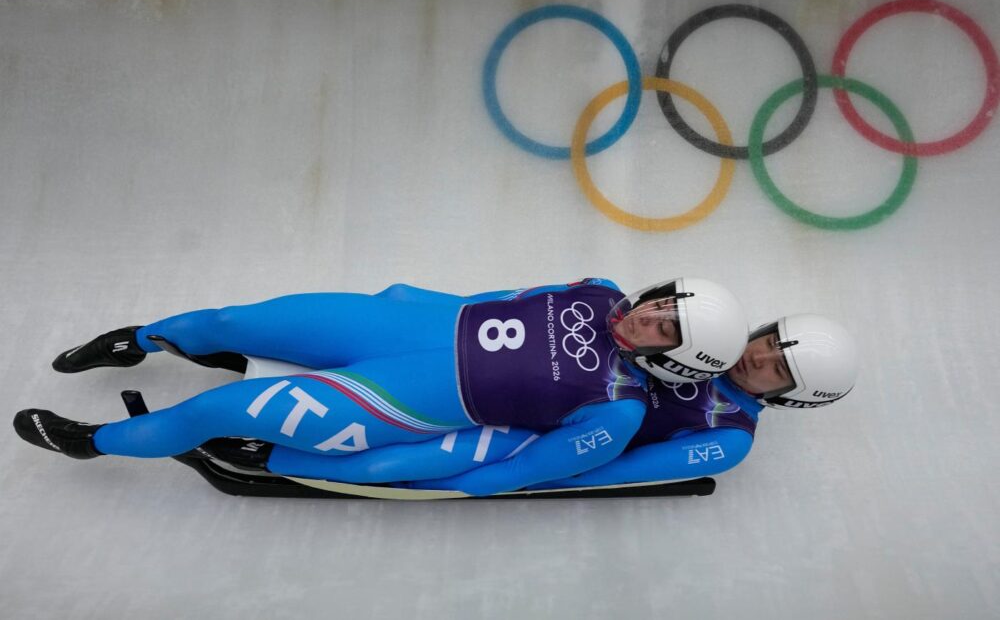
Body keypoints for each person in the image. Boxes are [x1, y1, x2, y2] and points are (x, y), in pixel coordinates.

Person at [13, 277, 750, 495]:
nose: (648, 315)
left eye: (664, 329)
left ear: (674, 364)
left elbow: (530, 471)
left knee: (213, 410)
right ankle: (137, 340)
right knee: (232, 318)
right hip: (393, 332)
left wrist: (448, 477)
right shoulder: (599, 290)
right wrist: (412, 300)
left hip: (403, 403)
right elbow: (501, 299)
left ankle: (91, 443)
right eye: (662, 302)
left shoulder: (617, 413)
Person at [197, 312, 858, 491]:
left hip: (541, 433)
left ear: (792, 399)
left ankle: (276, 459)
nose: (757, 358)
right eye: (769, 344)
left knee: (399, 464)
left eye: (775, 370)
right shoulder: (707, 330)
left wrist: (515, 477)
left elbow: (612, 469)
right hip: (511, 379)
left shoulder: (732, 436)